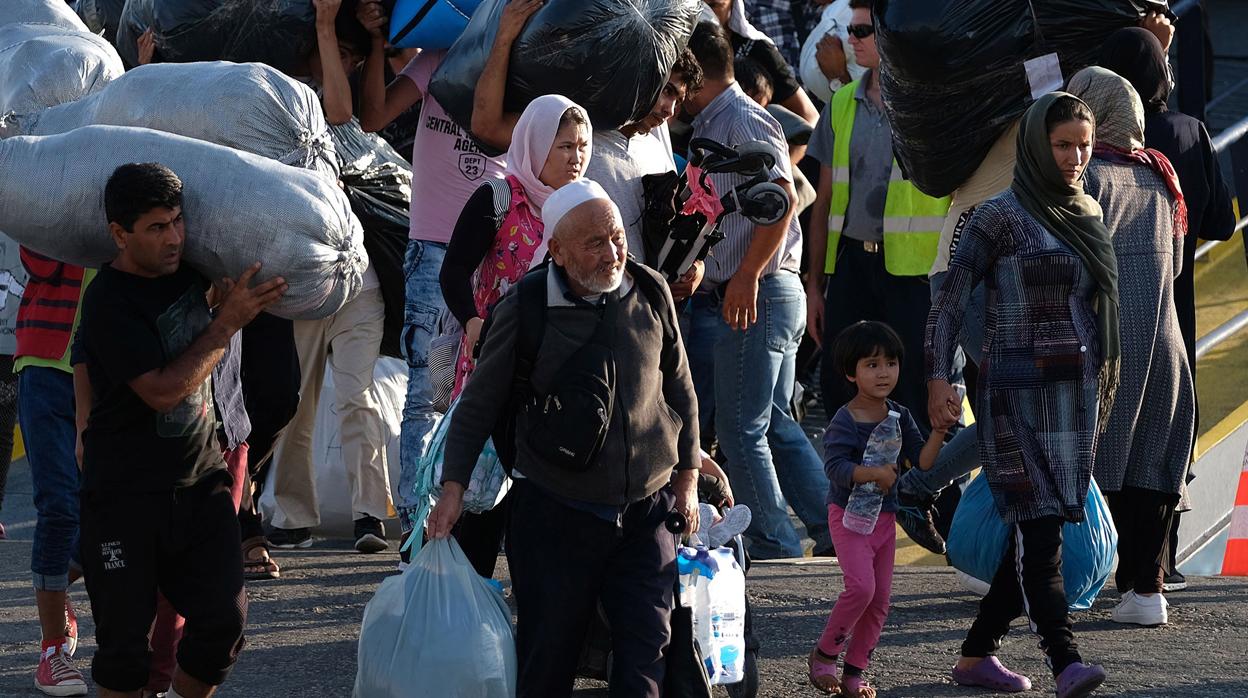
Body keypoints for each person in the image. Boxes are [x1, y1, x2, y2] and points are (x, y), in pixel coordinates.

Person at [427, 180, 701, 697]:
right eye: (594, 243)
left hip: (646, 509)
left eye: (617, 237)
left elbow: (681, 389)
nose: (612, 253)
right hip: (556, 512)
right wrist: (453, 489)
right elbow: (479, 405)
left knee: (647, 656)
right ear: (556, 249)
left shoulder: (650, 290)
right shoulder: (525, 306)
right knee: (547, 660)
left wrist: (687, 474)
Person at [76, 162, 286, 698]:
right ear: (119, 234)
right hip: (124, 494)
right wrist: (225, 324)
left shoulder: (196, 271)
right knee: (124, 654)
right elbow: (163, 390)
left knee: (223, 624)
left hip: (200, 486)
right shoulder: (109, 299)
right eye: (155, 228)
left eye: (177, 222)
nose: (173, 238)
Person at [926, 93, 1111, 697]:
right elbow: (948, 303)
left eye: (1083, 143)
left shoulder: (1087, 211)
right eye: (1063, 144)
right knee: (1041, 531)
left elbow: (1094, 310)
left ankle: (976, 656)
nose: (1076, 156)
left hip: (1073, 398)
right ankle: (1066, 662)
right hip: (1015, 397)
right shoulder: (996, 217)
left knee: (1043, 526)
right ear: (1036, 145)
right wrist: (941, 377)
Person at [354, 0, 510, 559]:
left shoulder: (527, 66)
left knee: (493, 395)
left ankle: (476, 523)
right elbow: (372, 117)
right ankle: (420, 534)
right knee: (430, 395)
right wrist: (376, 42)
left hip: (502, 254)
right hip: (438, 253)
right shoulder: (439, 58)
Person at [682, 21, 832, 560]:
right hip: (769, 289)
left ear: (694, 71)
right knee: (773, 421)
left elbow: (783, 199)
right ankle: (829, 527)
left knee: (741, 427)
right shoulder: (724, 118)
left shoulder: (739, 121)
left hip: (760, 290)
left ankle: (774, 540)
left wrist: (744, 276)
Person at [1099, 27, 1237, 592]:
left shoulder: (1089, 150)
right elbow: (1222, 225)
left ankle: (1091, 559)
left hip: (1105, 315)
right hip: (1170, 310)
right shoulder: (1185, 134)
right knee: (1167, 431)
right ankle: (1161, 564)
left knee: (1103, 435)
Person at [435, 94, 592, 576]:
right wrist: (473, 322)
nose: (576, 157)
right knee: (483, 491)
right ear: (535, 144)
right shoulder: (499, 197)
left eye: (583, 146)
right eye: (563, 146)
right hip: (494, 358)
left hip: (554, 371)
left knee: (539, 492)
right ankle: (467, 595)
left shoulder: (585, 208)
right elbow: (454, 270)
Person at [1067, 66, 1196, 627]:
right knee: (1151, 459)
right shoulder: (1163, 179)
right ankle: (1147, 589)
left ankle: (1074, 579)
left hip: (1107, 342)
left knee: (1094, 457)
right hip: (1165, 341)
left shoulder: (1087, 177)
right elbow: (1180, 265)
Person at [265, 0, 395, 553]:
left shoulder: (347, 123)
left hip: (359, 279)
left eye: (348, 54)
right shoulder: (283, 108)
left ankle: (370, 514)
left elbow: (342, 112)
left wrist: (349, 32)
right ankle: (294, 516)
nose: (341, 62)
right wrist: (324, 23)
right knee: (298, 399)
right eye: (332, 52)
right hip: (306, 279)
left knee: (357, 396)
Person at [805, 0, 950, 430]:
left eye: (863, 31)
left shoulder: (929, 104)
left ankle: (922, 491)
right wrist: (815, 285)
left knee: (913, 394)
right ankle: (849, 485)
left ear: (890, 35)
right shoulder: (844, 102)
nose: (852, 39)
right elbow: (825, 199)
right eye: (851, 30)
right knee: (841, 383)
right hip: (853, 266)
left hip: (914, 275)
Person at [808, 321, 949, 697]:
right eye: (872, 364)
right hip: (849, 518)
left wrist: (938, 431)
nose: (883, 372)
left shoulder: (900, 415)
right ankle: (824, 655)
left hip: (884, 521)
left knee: (880, 601)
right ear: (850, 373)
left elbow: (921, 461)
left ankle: (854, 674)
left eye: (890, 362)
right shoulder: (844, 419)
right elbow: (834, 468)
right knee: (861, 588)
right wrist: (870, 474)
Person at [17, 246, 94, 696]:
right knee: (60, 507)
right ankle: (52, 651)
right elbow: (40, 258)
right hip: (45, 364)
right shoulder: (60, 187)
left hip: (114, 370)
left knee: (109, 511)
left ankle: (55, 588)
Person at [701, 0, 820, 127]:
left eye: (714, 6)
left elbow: (809, 117)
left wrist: (779, 147)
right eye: (697, 4)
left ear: (732, 4)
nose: (705, 13)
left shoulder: (757, 48)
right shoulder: (680, 52)